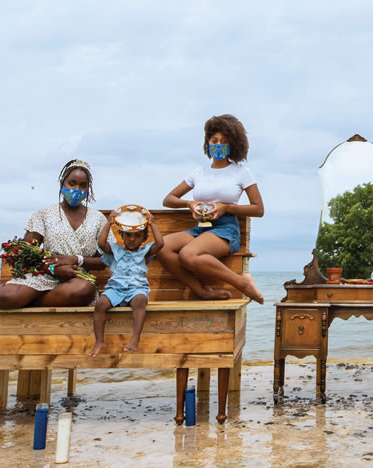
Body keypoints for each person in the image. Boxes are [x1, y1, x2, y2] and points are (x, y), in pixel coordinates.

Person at [0, 160, 107, 308]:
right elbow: (25, 255)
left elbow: (104, 260)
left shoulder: (98, 219)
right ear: (61, 184)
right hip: (44, 274)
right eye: (72, 183)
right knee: (8, 295)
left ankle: (23, 302)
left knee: (83, 290)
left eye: (82, 185)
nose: (77, 189)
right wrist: (53, 268)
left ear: (88, 188)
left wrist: (76, 260)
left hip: (75, 278)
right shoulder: (43, 215)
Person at [158, 114, 265, 303]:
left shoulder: (241, 172)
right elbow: (168, 200)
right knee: (162, 247)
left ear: (233, 145)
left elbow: (258, 209)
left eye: (224, 141)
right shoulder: (199, 173)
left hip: (226, 229)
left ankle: (242, 283)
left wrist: (226, 208)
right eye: (214, 140)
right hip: (201, 227)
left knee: (187, 255)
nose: (218, 145)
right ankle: (201, 290)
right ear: (207, 142)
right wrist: (190, 203)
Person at [89, 208, 164, 357]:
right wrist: (109, 223)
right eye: (128, 235)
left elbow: (160, 244)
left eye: (137, 236)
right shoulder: (115, 250)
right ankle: (99, 341)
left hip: (136, 289)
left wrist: (153, 224)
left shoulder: (145, 252)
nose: (131, 239)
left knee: (140, 300)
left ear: (144, 238)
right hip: (115, 289)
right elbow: (101, 242)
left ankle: (135, 337)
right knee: (100, 304)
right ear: (121, 235)